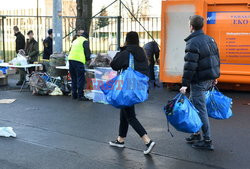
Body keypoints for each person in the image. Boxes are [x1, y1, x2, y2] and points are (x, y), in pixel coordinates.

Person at [109, 31, 155, 155]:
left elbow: (114, 65)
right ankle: (120, 139)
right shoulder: (142, 53)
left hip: (127, 87)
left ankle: (147, 141)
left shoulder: (126, 53)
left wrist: (121, 50)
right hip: (137, 87)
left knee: (130, 116)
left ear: (127, 40)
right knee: (124, 111)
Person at [179, 15, 220, 150]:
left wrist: (184, 84)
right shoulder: (210, 39)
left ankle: (207, 140)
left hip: (199, 81)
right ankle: (196, 134)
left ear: (191, 26)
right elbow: (215, 59)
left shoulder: (193, 42)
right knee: (193, 105)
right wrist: (215, 77)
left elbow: (190, 65)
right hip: (208, 79)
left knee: (200, 109)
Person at [68, 31, 91, 101]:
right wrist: (88, 59)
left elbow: (71, 50)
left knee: (74, 77)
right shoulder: (85, 41)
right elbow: (87, 52)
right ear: (86, 37)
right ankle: (80, 95)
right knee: (80, 78)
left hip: (71, 59)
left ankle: (74, 94)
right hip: (78, 60)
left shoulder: (76, 40)